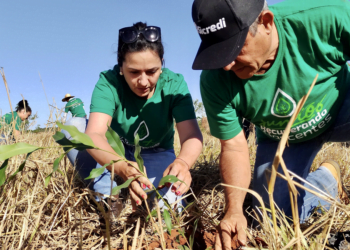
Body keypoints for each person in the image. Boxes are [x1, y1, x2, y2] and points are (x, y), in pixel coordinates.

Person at [191, 0, 350, 249]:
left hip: (340, 109)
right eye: (219, 51)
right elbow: (233, 146)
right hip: (282, 138)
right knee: (270, 218)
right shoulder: (215, 81)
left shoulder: (325, 18)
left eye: (234, 48)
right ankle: (327, 180)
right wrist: (234, 210)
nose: (227, 65)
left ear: (266, 22)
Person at [63, 22, 203, 215]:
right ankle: (108, 196)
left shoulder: (174, 84)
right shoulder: (109, 82)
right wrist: (122, 166)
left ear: (162, 63)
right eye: (134, 72)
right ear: (121, 67)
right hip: (115, 150)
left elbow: (191, 136)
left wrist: (183, 163)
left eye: (152, 71)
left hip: (155, 152)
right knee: (73, 128)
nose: (144, 82)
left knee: (166, 208)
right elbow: (94, 134)